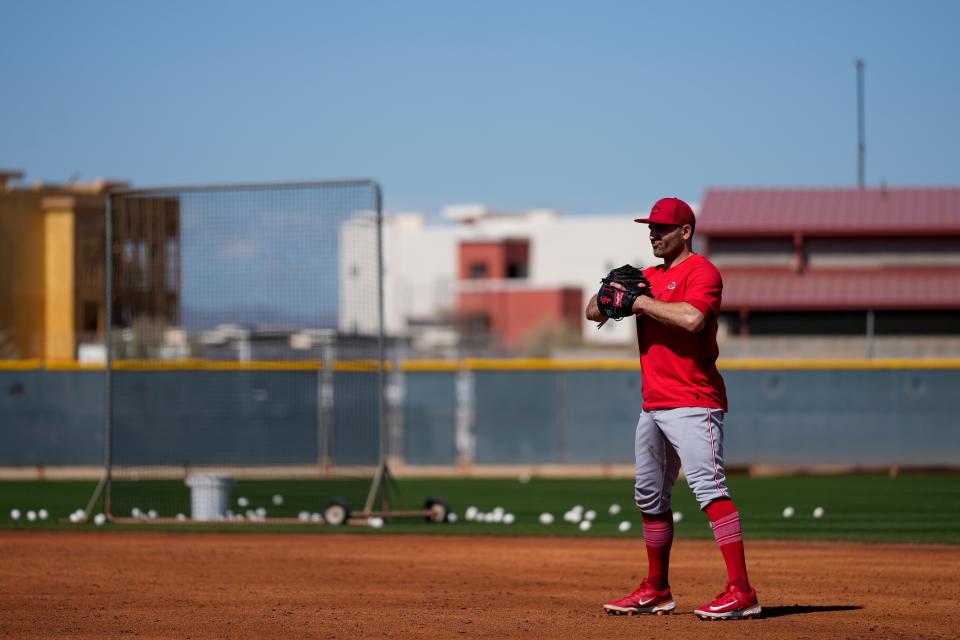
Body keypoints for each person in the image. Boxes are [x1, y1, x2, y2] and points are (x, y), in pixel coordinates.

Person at [585, 197, 761, 620]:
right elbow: (593, 313)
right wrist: (608, 293)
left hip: (694, 401)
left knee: (710, 490)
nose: (653, 234)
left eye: (662, 228)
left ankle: (742, 591)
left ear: (685, 232)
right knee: (648, 497)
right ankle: (656, 589)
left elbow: (692, 320)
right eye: (650, 227)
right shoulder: (645, 277)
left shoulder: (702, 272)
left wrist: (638, 302)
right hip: (654, 405)